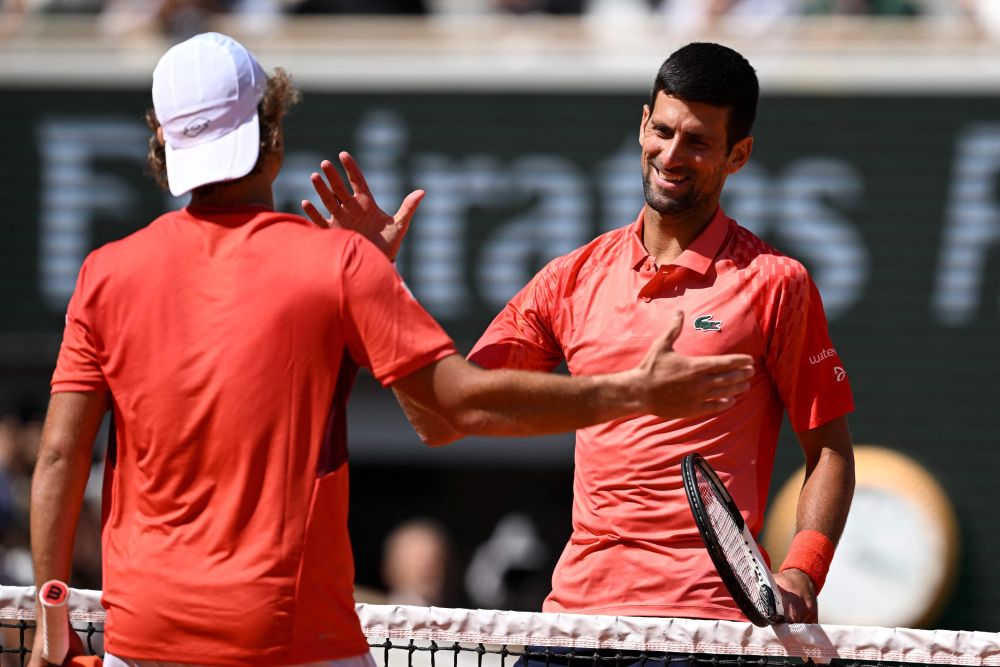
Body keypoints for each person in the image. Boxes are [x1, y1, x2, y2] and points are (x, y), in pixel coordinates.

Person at [28, 33, 757, 667]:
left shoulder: (105, 272)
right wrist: (635, 392)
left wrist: (51, 614)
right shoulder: (336, 264)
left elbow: (61, 456)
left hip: (142, 632)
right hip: (291, 639)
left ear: (164, 143)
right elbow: (457, 405)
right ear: (272, 133)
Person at [323, 42, 855, 630]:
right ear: (642, 126)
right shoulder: (569, 280)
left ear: (739, 156)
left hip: (708, 627)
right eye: (664, 130)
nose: (672, 154)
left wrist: (803, 570)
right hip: (579, 621)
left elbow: (828, 449)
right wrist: (378, 284)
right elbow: (445, 417)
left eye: (698, 142)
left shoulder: (777, 283)